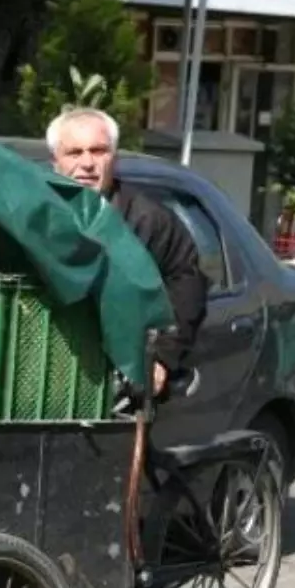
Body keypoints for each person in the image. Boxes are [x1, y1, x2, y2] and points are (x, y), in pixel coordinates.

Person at [46, 108, 207, 395]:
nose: (87, 163)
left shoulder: (148, 218)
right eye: (74, 152)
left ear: (114, 157)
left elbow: (186, 283)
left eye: (98, 151)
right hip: (45, 368)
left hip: (119, 382)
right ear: (54, 161)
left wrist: (161, 358)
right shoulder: (33, 214)